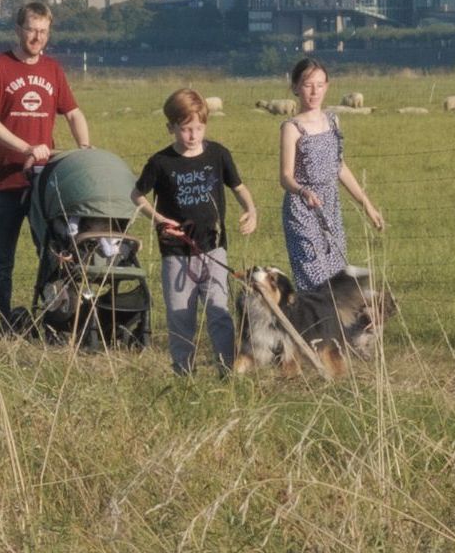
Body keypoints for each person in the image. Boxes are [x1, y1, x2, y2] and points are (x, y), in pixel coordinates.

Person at [0, 0, 89, 336]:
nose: (36, 37)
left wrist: (84, 149)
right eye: (31, 30)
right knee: (2, 257)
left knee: (54, 253)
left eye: (43, 31)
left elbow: (73, 112)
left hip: (43, 182)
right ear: (18, 29)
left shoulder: (53, 70)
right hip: (4, 181)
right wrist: (25, 147)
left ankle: (57, 319)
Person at [135, 87, 257, 375]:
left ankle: (228, 371)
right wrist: (158, 219)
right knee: (180, 316)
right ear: (171, 127)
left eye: (199, 128)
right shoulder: (160, 163)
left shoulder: (218, 154)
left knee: (219, 311)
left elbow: (238, 187)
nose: (193, 135)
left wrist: (251, 209)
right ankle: (183, 373)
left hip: (213, 248)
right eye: (186, 129)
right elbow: (137, 195)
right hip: (175, 253)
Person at [277, 56, 385, 327]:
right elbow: (285, 176)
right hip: (303, 210)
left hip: (331, 208)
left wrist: (367, 205)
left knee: (337, 276)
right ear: (295, 88)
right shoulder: (292, 128)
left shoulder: (333, 122)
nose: (314, 91)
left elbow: (340, 167)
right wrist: (303, 192)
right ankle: (314, 335)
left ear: (327, 86)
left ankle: (336, 337)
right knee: (313, 277)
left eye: (319, 84)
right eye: (307, 85)